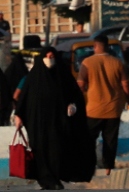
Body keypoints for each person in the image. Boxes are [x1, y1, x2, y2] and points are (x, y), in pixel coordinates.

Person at [16, 47, 95, 189]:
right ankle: (46, 179)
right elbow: (23, 99)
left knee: (56, 149)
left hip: (58, 123)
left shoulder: (63, 76)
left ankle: (56, 177)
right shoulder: (34, 77)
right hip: (38, 124)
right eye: (46, 57)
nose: (49, 60)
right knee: (40, 150)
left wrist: (73, 105)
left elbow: (75, 95)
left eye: (52, 57)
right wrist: (18, 115)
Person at [78, 35, 129, 175]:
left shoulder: (87, 62)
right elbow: (125, 84)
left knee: (89, 140)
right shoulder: (118, 63)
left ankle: (88, 167)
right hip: (113, 109)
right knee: (110, 140)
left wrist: (80, 99)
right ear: (107, 46)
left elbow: (81, 84)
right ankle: (108, 169)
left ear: (95, 46)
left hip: (93, 110)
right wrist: (128, 99)